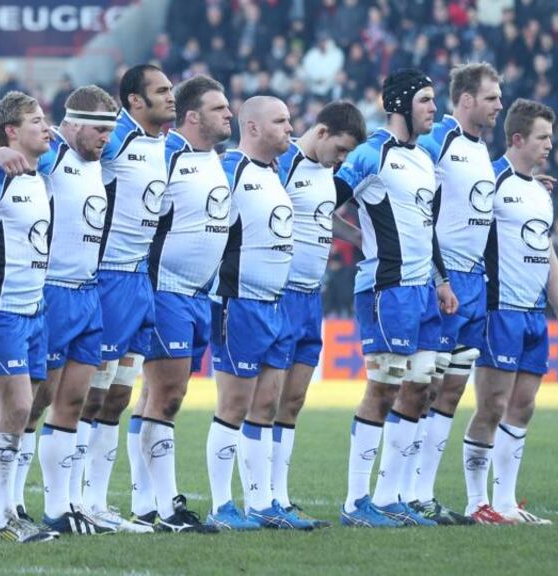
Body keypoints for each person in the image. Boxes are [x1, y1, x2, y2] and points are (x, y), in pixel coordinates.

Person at [336, 68, 458, 528]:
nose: (433, 108)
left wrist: (442, 280)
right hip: (386, 289)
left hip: (423, 290)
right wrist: (360, 239)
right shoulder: (371, 155)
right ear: (400, 105)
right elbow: (326, 203)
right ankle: (354, 502)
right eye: (426, 100)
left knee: (423, 388)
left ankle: (390, 498)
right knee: (383, 388)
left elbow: (425, 229)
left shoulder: (424, 159)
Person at [463, 98, 558, 525]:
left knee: (523, 406)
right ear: (517, 139)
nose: (550, 144)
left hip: (533, 314)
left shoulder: (538, 191)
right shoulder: (490, 180)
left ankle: (506, 503)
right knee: (492, 404)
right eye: (542, 137)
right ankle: (476, 503)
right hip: (499, 310)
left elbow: (544, 250)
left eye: (550, 136)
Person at [77, 64, 175, 532]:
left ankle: (97, 502)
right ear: (135, 101)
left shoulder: (167, 147)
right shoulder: (117, 139)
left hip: (140, 282)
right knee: (89, 397)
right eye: (161, 91)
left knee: (118, 397)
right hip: (108, 278)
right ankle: (72, 500)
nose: (170, 96)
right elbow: (66, 144)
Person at [204, 95, 306, 530]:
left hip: (275, 304)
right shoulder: (229, 170)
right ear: (253, 127)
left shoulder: (273, 173)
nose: (289, 127)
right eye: (281, 121)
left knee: (267, 404)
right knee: (234, 404)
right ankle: (222, 505)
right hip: (238, 302)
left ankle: (262, 504)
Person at [21, 85, 119, 535]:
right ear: (73, 123)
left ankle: (62, 507)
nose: (106, 138)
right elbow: (8, 156)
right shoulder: (53, 154)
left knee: (76, 401)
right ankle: (14, 501)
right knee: (37, 400)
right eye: (100, 129)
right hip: (53, 292)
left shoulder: (94, 160)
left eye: (111, 130)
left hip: (89, 292)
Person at [409, 62, 503, 525]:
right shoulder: (439, 139)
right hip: (439, 281)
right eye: (491, 98)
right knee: (422, 388)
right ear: (466, 101)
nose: (499, 105)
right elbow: (402, 173)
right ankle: (402, 492)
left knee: (450, 392)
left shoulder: (482, 149)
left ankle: (423, 493)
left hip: (473, 284)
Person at [140, 74, 232, 533]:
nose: (228, 115)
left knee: (157, 396)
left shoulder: (219, 161)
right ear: (192, 116)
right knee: (168, 396)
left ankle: (144, 502)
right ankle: (166, 507)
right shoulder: (166, 155)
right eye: (219, 109)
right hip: (166, 290)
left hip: (201, 296)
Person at [268, 101, 366, 528]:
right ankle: (260, 499)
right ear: (322, 132)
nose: (342, 160)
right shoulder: (281, 163)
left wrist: (359, 237)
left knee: (292, 401)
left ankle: (280, 497)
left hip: (311, 298)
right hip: (277, 295)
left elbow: (322, 217)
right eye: (341, 149)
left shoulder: (326, 173)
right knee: (262, 402)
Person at [0, 91, 59, 543]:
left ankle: (14, 508)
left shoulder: (40, 172)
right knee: (18, 407)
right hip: (1, 309)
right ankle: (1, 514)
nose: (46, 127)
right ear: (12, 132)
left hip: (35, 308)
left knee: (36, 404)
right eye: (35, 121)